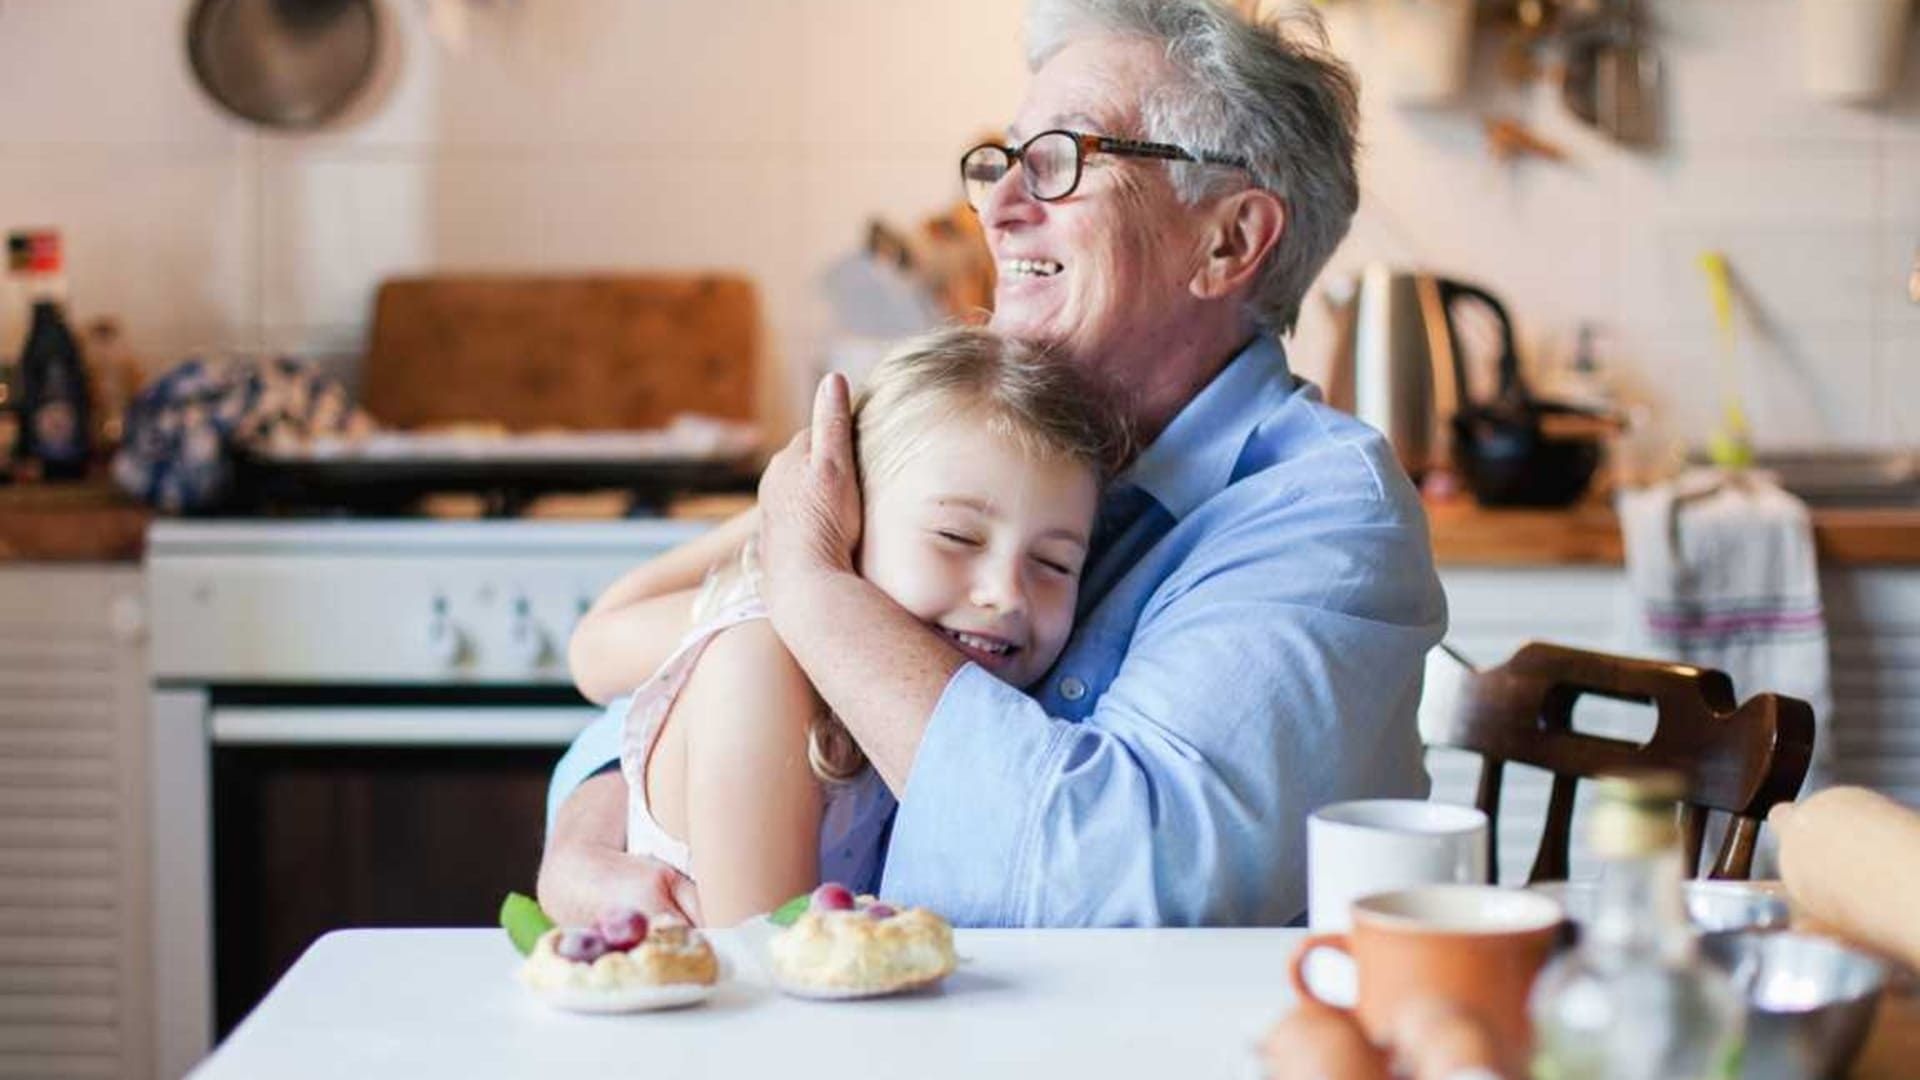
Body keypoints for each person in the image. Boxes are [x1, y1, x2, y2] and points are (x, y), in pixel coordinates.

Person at [541, 0, 1446, 928]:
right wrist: (598, 828)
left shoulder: (1323, 516)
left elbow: (1119, 890)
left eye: (1063, 160)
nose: (999, 208)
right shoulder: (980, 450)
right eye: (1006, 160)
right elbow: (694, 687)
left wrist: (810, 590)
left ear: (1229, 240)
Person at [597, 327, 1126, 927]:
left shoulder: (979, 713)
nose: (1005, 595)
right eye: (956, 537)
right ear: (851, 519)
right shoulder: (759, 661)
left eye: (1054, 563)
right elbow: (770, 958)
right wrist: (787, 519)